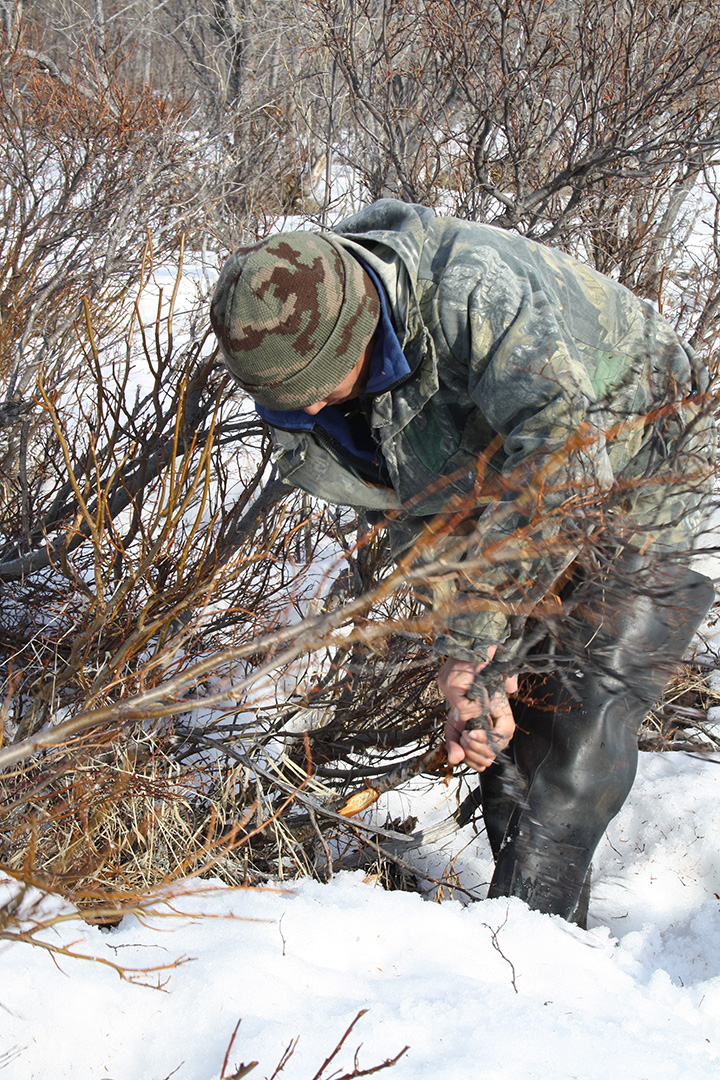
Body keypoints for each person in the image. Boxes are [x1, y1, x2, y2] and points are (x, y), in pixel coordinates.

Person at [210, 199, 716, 923]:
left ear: (360, 335)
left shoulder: (471, 290)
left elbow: (566, 469)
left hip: (656, 450)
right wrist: (473, 663)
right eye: (290, 403)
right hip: (511, 480)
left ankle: (529, 958)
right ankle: (528, 933)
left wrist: (475, 636)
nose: (309, 413)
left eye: (318, 391)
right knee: (510, 739)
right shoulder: (293, 375)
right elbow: (420, 513)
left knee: (580, 728)